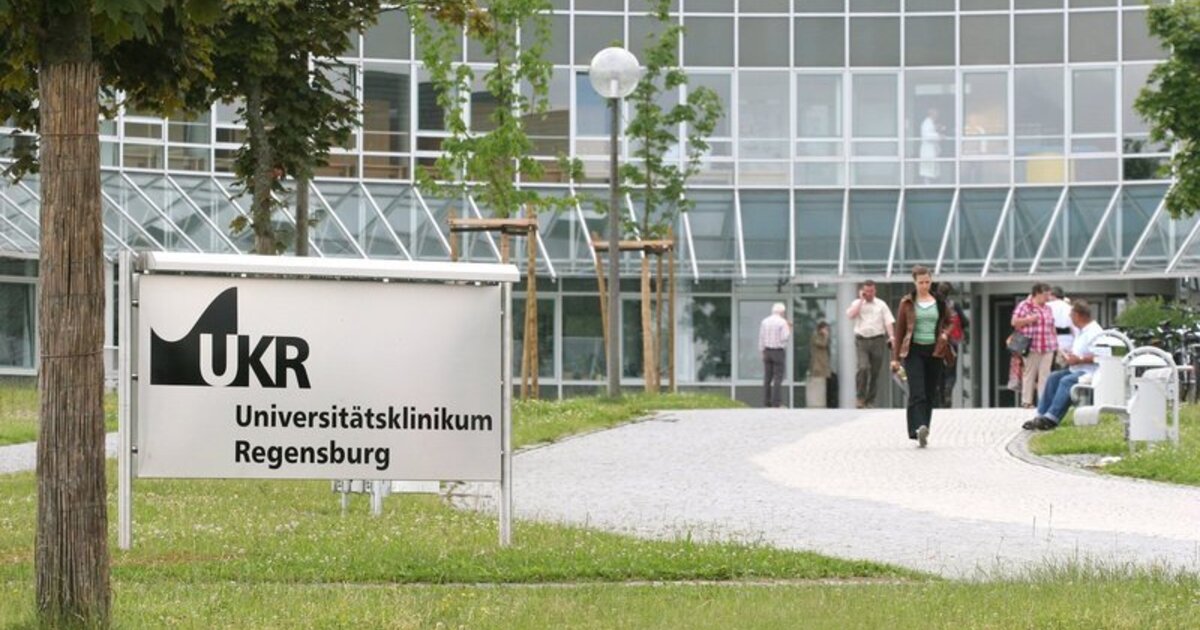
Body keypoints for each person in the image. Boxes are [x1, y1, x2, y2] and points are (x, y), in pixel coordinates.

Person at [891, 265, 954, 448]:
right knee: (917, 391)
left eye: (927, 282)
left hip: (935, 351)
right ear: (914, 282)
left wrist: (945, 334)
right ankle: (918, 427)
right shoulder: (907, 302)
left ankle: (924, 428)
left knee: (930, 392)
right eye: (921, 282)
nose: (924, 285)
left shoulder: (939, 301)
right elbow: (900, 330)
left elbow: (950, 321)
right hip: (913, 351)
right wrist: (895, 358)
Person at [1023, 300, 1104, 431]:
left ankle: (1052, 418)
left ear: (1078, 315)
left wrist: (1080, 359)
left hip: (1089, 372)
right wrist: (1071, 356)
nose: (1071, 320)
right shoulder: (1082, 331)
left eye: (1071, 316)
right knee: (1053, 377)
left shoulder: (1095, 332)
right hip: (1077, 368)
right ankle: (1041, 415)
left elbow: (1101, 357)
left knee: (1066, 381)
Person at [846, 280, 895, 409]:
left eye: (871, 291)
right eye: (866, 291)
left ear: (875, 291)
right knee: (863, 368)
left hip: (878, 340)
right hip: (862, 340)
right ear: (863, 291)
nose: (869, 294)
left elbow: (888, 322)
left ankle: (870, 400)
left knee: (875, 372)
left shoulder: (881, 304)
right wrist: (861, 301)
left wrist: (892, 337)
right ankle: (860, 398)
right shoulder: (857, 303)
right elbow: (850, 315)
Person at [1011, 283, 1057, 408]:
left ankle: (1043, 401)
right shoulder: (1025, 306)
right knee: (1029, 373)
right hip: (1031, 346)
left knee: (1045, 374)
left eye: (1048, 294)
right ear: (1037, 293)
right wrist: (1030, 319)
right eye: (1045, 294)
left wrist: (1056, 342)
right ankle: (1027, 401)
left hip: (1047, 346)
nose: (1047, 297)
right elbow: (1014, 322)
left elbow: (1052, 326)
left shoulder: (1048, 308)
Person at [936, 282, 968, 407]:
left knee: (938, 370)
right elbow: (965, 322)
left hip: (937, 342)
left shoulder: (932, 305)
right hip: (952, 342)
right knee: (951, 371)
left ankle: (940, 399)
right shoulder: (954, 305)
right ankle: (948, 389)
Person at [759, 302, 792, 408]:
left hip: (767, 351)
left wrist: (762, 351)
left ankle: (766, 401)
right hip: (778, 351)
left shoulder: (764, 321)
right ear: (782, 312)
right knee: (778, 378)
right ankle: (776, 402)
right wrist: (790, 327)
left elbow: (761, 337)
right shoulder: (782, 322)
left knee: (767, 378)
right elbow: (785, 337)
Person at [1047, 286, 1075, 369]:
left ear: (1052, 295)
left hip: (1050, 341)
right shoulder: (1070, 308)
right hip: (1068, 340)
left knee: (1048, 369)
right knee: (1065, 368)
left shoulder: (1047, 306)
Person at [806, 321, 831, 408]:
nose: (826, 331)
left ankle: (822, 403)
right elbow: (823, 344)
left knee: (823, 382)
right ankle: (817, 403)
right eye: (825, 329)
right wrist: (826, 336)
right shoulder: (816, 336)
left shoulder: (823, 336)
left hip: (823, 362)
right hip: (817, 363)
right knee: (818, 380)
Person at [918, 108, 943, 184]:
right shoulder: (926, 123)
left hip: (932, 151)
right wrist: (939, 136)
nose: (937, 116)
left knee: (932, 170)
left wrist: (936, 128)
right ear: (931, 114)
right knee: (927, 171)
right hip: (928, 151)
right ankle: (927, 186)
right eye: (936, 114)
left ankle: (931, 185)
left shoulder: (931, 123)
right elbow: (927, 136)